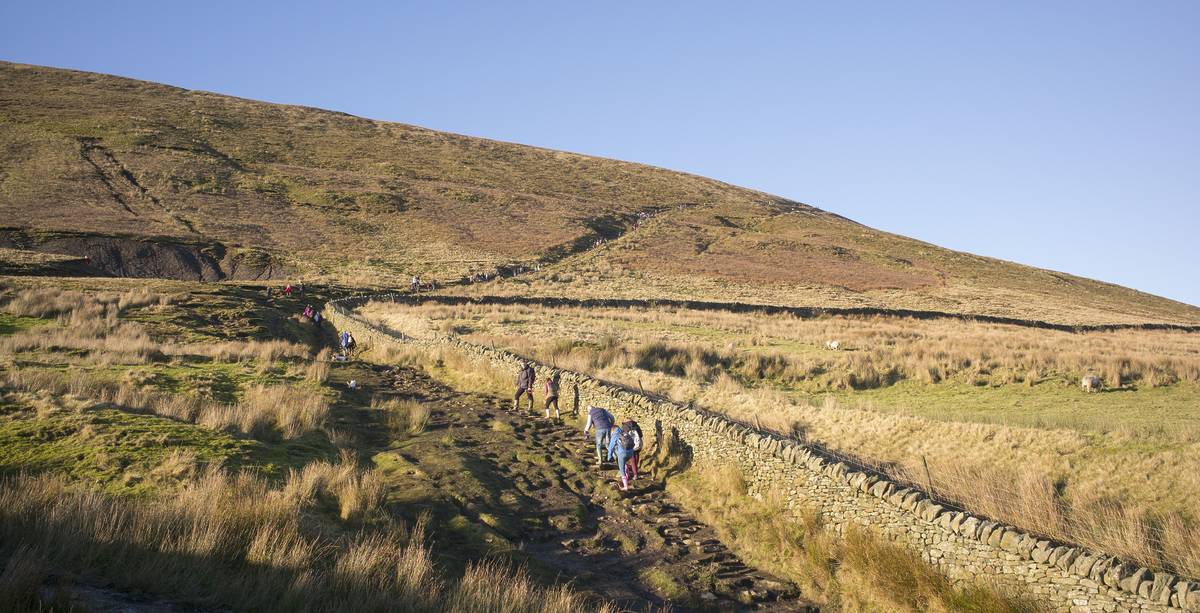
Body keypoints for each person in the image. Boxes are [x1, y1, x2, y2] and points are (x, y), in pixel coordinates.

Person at [606, 420, 641, 491]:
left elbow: (611, 446)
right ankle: (627, 470)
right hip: (631, 452)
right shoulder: (624, 431)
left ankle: (625, 486)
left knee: (621, 469)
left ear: (613, 430)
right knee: (624, 462)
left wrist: (609, 456)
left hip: (623, 454)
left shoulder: (615, 434)